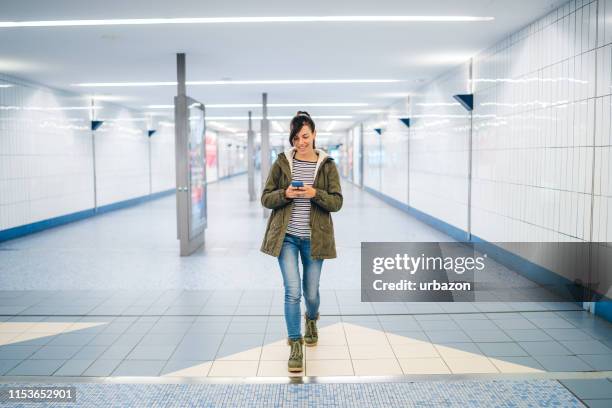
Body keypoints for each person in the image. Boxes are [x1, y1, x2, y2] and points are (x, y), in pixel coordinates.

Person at [260, 111, 343, 373]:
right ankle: (295, 344)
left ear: (314, 134)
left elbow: (337, 202)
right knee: (292, 291)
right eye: (296, 138)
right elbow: (266, 198)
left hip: (315, 239)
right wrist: (285, 193)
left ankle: (312, 319)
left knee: (311, 292)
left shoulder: (327, 165)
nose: (301, 142)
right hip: (286, 237)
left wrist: (314, 193)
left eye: (305, 136)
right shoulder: (283, 162)